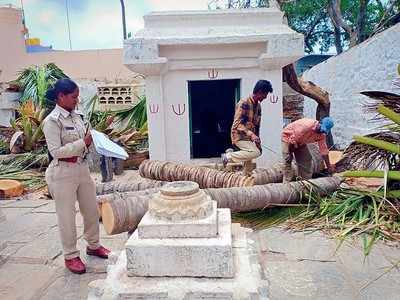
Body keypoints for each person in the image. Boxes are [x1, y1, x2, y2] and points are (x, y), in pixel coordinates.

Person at [43, 78, 110, 274]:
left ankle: (94, 245)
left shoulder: (78, 116)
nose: (76, 101)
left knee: (90, 210)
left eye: (78, 97)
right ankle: (71, 256)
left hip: (82, 169)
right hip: (62, 172)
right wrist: (83, 142)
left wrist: (96, 141)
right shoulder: (52, 121)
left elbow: (85, 140)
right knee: (67, 217)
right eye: (73, 97)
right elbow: (55, 151)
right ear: (61, 96)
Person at [221, 80, 273, 176]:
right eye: (265, 94)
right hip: (239, 136)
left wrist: (257, 140)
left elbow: (257, 126)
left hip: (249, 138)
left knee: (250, 161)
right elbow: (237, 124)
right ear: (259, 91)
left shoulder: (258, 107)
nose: (265, 97)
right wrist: (251, 134)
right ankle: (228, 156)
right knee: (255, 152)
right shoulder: (243, 103)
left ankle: (246, 182)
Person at [281, 117, 335, 183]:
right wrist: (290, 153)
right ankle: (286, 183)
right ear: (320, 122)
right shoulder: (306, 126)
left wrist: (329, 167)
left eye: (324, 131)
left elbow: (324, 151)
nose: (321, 132)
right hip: (288, 138)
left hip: (301, 141)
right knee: (287, 160)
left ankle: (305, 182)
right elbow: (293, 139)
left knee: (307, 159)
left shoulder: (322, 134)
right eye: (321, 129)